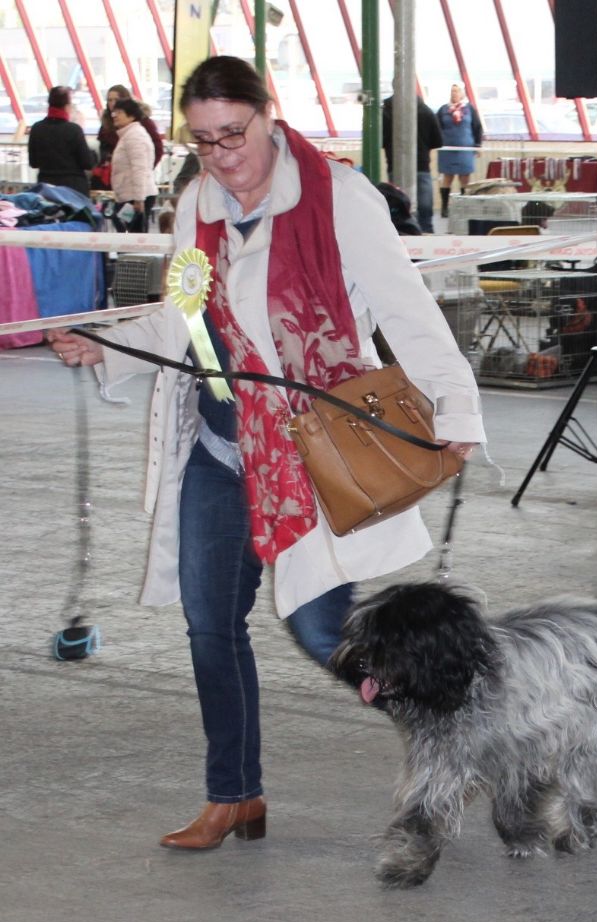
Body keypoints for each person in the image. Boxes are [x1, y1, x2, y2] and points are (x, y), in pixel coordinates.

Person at [49, 55, 484, 850]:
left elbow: (407, 311)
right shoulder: (196, 204)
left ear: (268, 114)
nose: (221, 156)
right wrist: (103, 343)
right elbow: (186, 313)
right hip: (219, 442)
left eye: (233, 134)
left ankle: (469, 732)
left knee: (326, 634)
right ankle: (233, 795)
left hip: (313, 450)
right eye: (204, 140)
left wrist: (455, 409)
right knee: (209, 625)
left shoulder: (338, 199)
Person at [381, 93, 443, 233]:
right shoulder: (426, 111)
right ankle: (427, 235)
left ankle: (401, 234)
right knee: (425, 207)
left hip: (394, 165)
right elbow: (438, 140)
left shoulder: (386, 112)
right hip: (421, 165)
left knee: (398, 206)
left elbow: (380, 140)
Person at [26, 86, 96, 197]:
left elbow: (33, 163)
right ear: (67, 106)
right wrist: (93, 154)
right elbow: (87, 163)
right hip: (74, 189)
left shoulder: (37, 128)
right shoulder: (74, 130)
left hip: (46, 189)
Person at [96, 84, 163, 188]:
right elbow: (103, 150)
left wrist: (146, 170)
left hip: (136, 179)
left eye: (116, 99)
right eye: (109, 100)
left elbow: (157, 148)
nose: (113, 103)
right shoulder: (106, 124)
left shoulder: (143, 122)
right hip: (110, 177)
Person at [109, 98, 158, 232]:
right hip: (129, 195)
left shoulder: (135, 136)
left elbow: (139, 168)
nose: (115, 116)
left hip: (135, 196)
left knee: (134, 237)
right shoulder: (128, 135)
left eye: (119, 112)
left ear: (131, 116)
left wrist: (139, 199)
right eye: (114, 112)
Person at [436, 83, 483, 217]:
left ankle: (464, 207)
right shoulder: (443, 110)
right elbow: (436, 128)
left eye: (456, 91)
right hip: (447, 149)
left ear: (462, 93)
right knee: (447, 177)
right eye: (452, 91)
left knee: (464, 178)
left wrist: (478, 146)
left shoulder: (469, 109)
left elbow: (477, 127)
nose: (454, 93)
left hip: (465, 148)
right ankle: (444, 208)